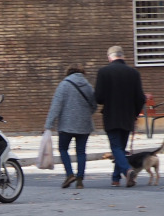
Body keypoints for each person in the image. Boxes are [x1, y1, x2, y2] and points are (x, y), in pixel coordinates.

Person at [93, 45, 147, 186]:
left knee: (116, 147)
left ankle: (127, 171)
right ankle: (115, 179)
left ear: (109, 57)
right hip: (128, 116)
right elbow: (141, 98)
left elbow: (98, 97)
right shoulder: (134, 73)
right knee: (121, 148)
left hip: (111, 116)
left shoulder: (103, 72)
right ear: (123, 56)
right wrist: (135, 113)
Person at [44, 63, 97, 189]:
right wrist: (86, 114)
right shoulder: (88, 86)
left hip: (66, 125)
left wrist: (48, 125)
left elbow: (56, 106)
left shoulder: (64, 85)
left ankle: (69, 174)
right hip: (84, 125)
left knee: (63, 149)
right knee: (81, 152)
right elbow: (94, 105)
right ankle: (80, 180)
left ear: (68, 73)